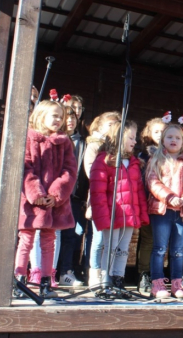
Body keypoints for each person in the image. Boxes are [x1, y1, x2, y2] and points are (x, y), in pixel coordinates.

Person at [13, 100, 77, 299]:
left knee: (49, 240)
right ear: (40, 116)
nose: (58, 120)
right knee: (26, 239)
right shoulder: (29, 138)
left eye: (61, 116)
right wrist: (37, 194)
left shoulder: (65, 142)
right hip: (32, 201)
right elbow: (26, 167)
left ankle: (46, 283)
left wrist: (55, 195)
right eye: (54, 115)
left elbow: (70, 170)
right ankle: (18, 280)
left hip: (54, 203)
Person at [89, 120, 149, 295]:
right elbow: (97, 192)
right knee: (110, 247)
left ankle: (118, 279)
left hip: (129, 214)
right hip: (112, 213)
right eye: (131, 137)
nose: (135, 141)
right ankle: (105, 279)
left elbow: (138, 191)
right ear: (118, 138)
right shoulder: (104, 161)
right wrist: (103, 216)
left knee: (123, 249)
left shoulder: (134, 163)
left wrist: (141, 214)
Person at [146, 124, 183, 299]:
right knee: (160, 248)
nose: (174, 140)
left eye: (178, 138)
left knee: (178, 249)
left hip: (182, 211)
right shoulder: (156, 160)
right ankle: (157, 284)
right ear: (163, 140)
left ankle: (176, 284)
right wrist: (170, 197)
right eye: (170, 137)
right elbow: (153, 182)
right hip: (162, 210)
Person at [84, 111, 120, 287]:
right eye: (110, 124)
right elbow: (91, 172)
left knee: (111, 241)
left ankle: (108, 274)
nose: (114, 128)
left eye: (116, 125)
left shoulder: (119, 147)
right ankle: (94, 274)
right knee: (98, 240)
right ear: (100, 127)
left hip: (116, 200)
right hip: (99, 198)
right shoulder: (94, 145)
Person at [58, 105, 89, 286]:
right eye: (66, 117)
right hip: (56, 195)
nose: (70, 121)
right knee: (52, 236)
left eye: (73, 118)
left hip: (76, 197)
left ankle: (66, 272)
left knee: (73, 235)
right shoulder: (56, 139)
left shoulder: (83, 142)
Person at [136, 117, 166, 293]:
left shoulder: (173, 153)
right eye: (156, 131)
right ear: (149, 134)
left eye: (163, 131)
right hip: (148, 202)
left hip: (167, 204)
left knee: (163, 242)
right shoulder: (143, 155)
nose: (160, 135)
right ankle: (143, 274)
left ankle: (159, 275)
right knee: (148, 240)